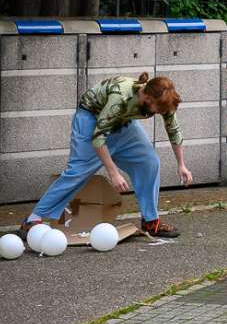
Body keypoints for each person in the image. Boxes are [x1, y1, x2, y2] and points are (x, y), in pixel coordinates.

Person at [19, 72, 192, 239]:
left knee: (149, 161)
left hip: (123, 121)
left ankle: (150, 222)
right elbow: (98, 137)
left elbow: (173, 129)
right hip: (91, 119)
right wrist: (113, 172)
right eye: (158, 110)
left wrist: (181, 164)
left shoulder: (163, 99)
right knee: (78, 171)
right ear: (147, 98)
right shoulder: (120, 97)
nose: (161, 113)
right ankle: (32, 220)